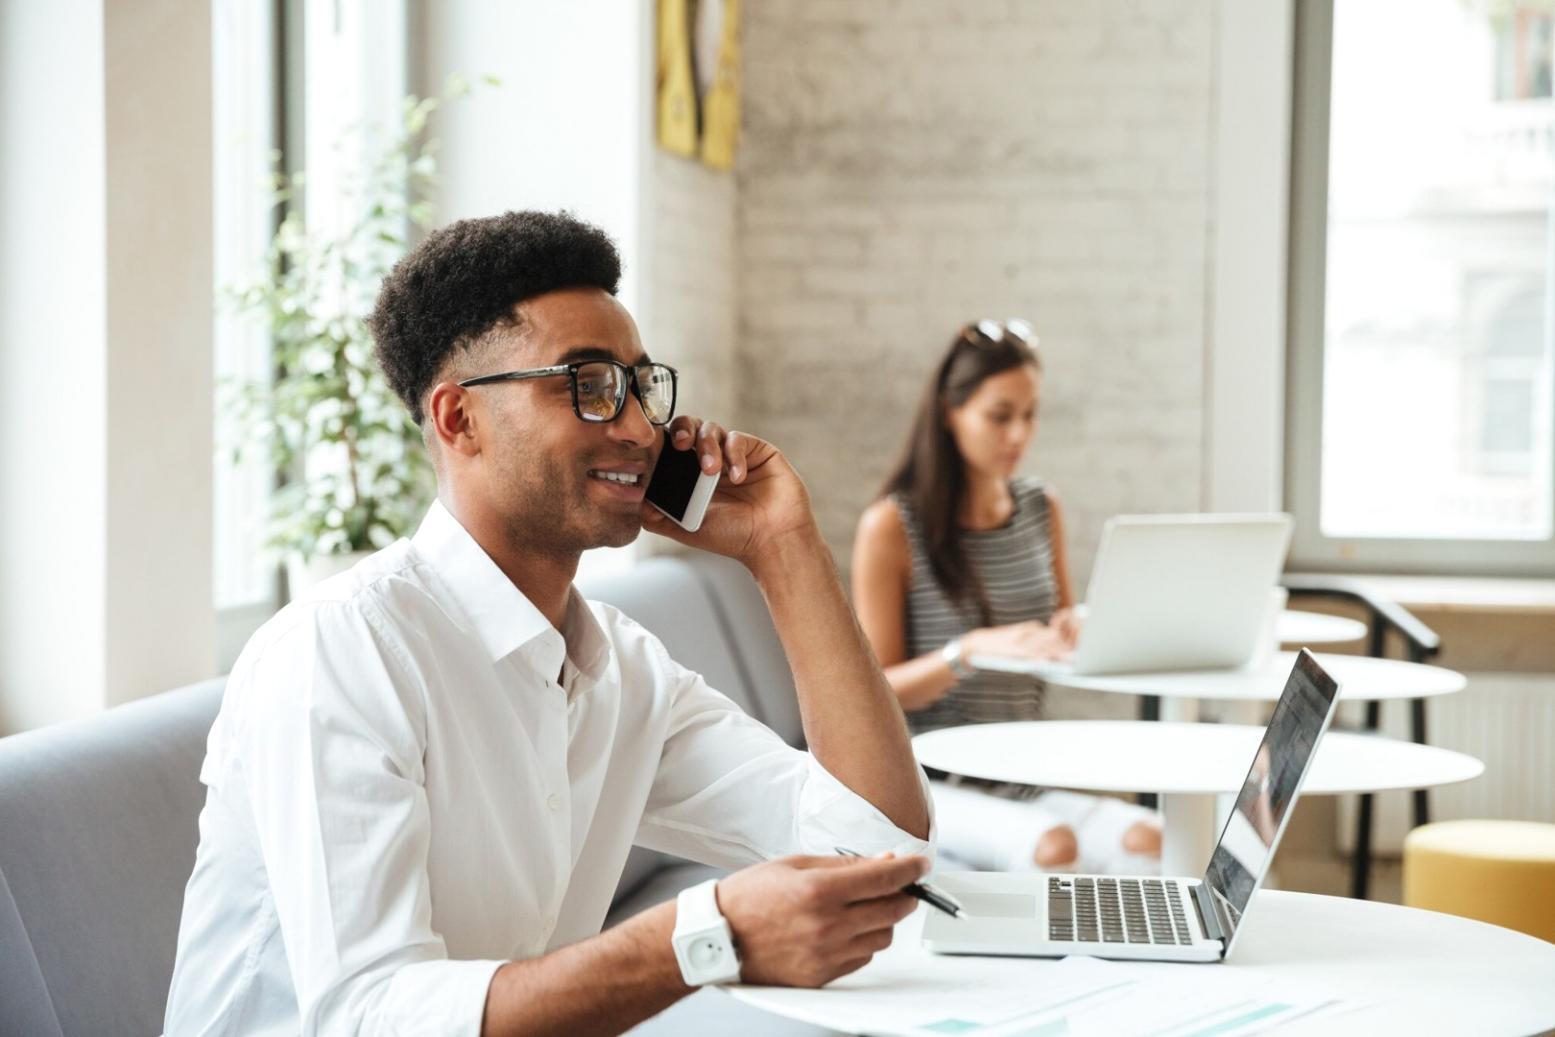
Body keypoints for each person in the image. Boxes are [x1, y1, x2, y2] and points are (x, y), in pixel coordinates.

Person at [164, 211, 934, 1036]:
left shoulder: (620, 669)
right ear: (459, 419)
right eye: (588, 385)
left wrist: (783, 547)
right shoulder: (341, 651)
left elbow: (875, 845)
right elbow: (369, 1015)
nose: (639, 429)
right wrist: (699, 938)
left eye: (639, 385)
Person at [851, 319, 1159, 874]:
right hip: (930, 783)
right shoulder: (891, 527)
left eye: (1030, 415)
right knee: (1054, 846)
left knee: (1153, 840)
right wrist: (967, 651)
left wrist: (1076, 630)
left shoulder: (1041, 507)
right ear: (950, 412)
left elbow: (1059, 628)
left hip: (1022, 776)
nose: (1018, 434)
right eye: (1000, 416)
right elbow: (877, 694)